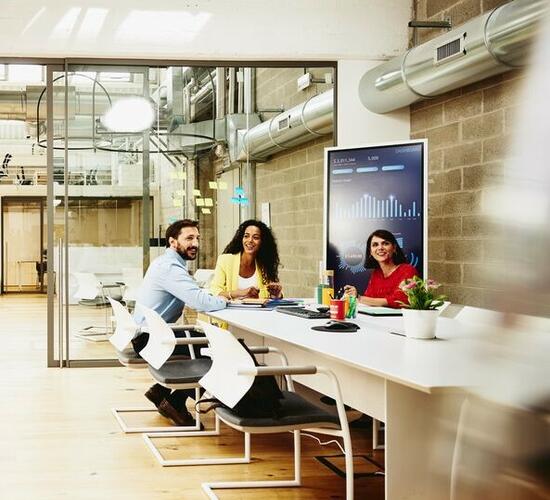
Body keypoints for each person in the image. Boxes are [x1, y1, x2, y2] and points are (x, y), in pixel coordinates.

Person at [133, 219, 227, 426]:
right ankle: (175, 401)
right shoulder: (170, 268)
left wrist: (221, 296)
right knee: (217, 350)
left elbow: (196, 295)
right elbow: (199, 302)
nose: (195, 243)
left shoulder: (168, 264)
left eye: (197, 238)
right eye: (189, 238)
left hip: (150, 335)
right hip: (150, 340)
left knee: (208, 344)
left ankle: (161, 392)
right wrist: (225, 300)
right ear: (173, 242)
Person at [344, 229, 418, 308]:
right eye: (375, 245)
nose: (380, 248)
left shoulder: (408, 270)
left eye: (385, 243)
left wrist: (359, 297)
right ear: (370, 252)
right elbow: (369, 299)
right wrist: (353, 295)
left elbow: (399, 300)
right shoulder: (376, 273)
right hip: (376, 319)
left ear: (394, 248)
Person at [210, 219, 283, 300]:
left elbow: (270, 299)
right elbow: (214, 292)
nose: (250, 240)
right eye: (246, 236)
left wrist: (276, 295)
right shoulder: (225, 260)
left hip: (257, 312)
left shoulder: (264, 265)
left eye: (255, 237)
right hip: (231, 312)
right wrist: (240, 293)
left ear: (262, 242)